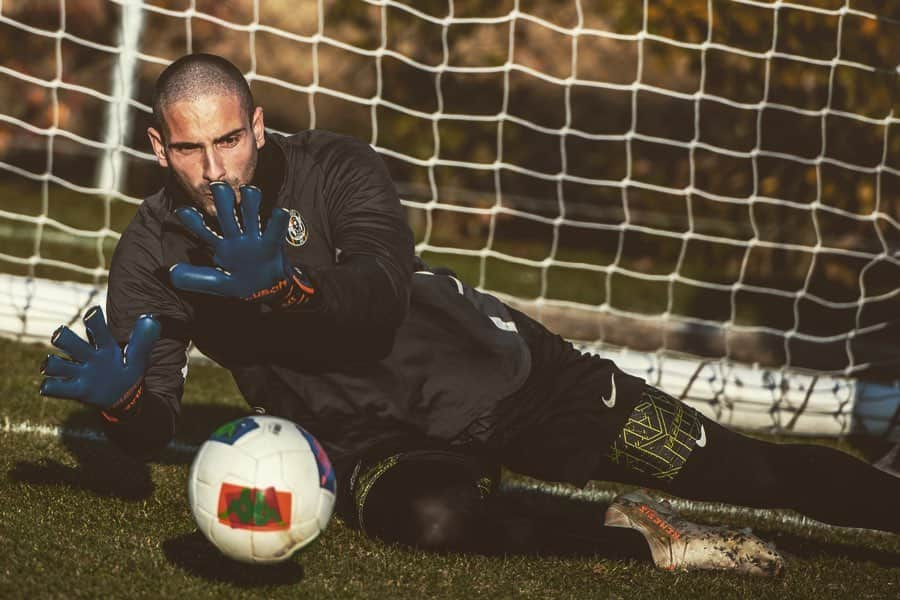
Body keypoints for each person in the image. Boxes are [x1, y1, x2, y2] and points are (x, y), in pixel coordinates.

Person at [38, 54, 899, 575]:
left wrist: (283, 288)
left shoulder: (336, 169)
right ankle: (637, 534)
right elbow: (151, 428)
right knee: (434, 524)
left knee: (752, 473)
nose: (214, 167)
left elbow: (378, 297)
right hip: (371, 438)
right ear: (158, 146)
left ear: (259, 126)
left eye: (229, 139)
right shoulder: (152, 252)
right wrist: (122, 404)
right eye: (189, 148)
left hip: (513, 379)